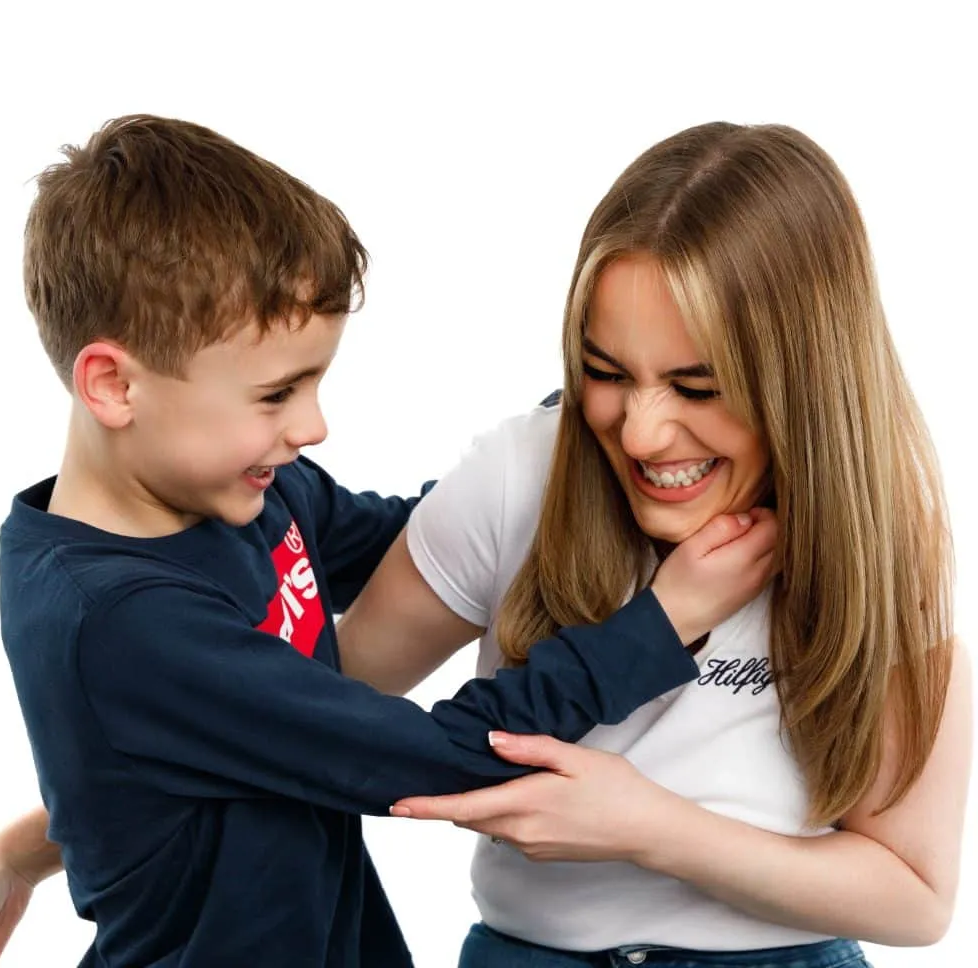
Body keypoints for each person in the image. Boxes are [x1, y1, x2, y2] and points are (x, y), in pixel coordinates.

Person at [0, 115, 776, 968]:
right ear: (114, 384)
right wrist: (662, 620)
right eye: (276, 395)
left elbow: (434, 536)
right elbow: (441, 759)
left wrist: (593, 421)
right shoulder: (127, 622)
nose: (311, 426)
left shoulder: (241, 492)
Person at [343, 123, 971, 965]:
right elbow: (319, 715)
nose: (639, 434)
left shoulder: (885, 523)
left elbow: (916, 897)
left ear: (805, 378)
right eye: (605, 373)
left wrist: (650, 830)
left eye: (696, 385)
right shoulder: (517, 473)